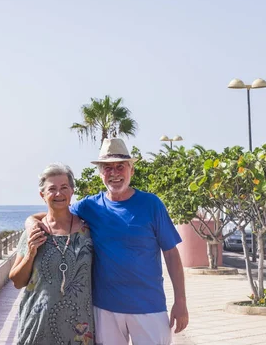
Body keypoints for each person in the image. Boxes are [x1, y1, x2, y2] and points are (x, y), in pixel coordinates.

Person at [26, 138, 188, 345]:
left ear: (132, 170)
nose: (114, 173)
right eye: (107, 168)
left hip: (150, 307)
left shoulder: (151, 204)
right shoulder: (89, 207)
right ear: (101, 173)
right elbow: (57, 214)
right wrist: (30, 221)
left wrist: (180, 301)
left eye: (120, 167)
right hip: (104, 310)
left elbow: (172, 254)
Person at [10, 163, 95, 345]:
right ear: (43, 195)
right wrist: (30, 254)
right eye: (52, 189)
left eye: (64, 187)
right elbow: (17, 281)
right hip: (38, 326)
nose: (59, 194)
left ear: (72, 191)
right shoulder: (34, 232)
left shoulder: (88, 231)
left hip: (79, 329)